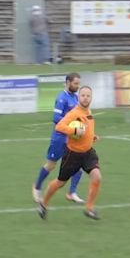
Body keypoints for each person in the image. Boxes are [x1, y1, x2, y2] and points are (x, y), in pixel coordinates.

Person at [38, 86, 101, 221]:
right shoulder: (74, 113)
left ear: (91, 98)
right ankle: (43, 203)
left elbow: (85, 128)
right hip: (72, 155)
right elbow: (59, 126)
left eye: (88, 96)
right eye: (83, 95)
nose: (85, 98)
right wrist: (74, 132)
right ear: (79, 97)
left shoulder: (88, 111)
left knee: (97, 177)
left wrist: (91, 136)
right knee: (60, 183)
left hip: (88, 153)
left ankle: (89, 208)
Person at [32, 72, 84, 204]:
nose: (78, 86)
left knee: (79, 164)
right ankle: (36, 187)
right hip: (60, 138)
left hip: (73, 138)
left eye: (79, 83)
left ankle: (72, 192)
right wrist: (71, 126)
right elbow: (56, 118)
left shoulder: (76, 98)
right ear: (68, 82)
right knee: (51, 165)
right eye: (75, 83)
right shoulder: (62, 98)